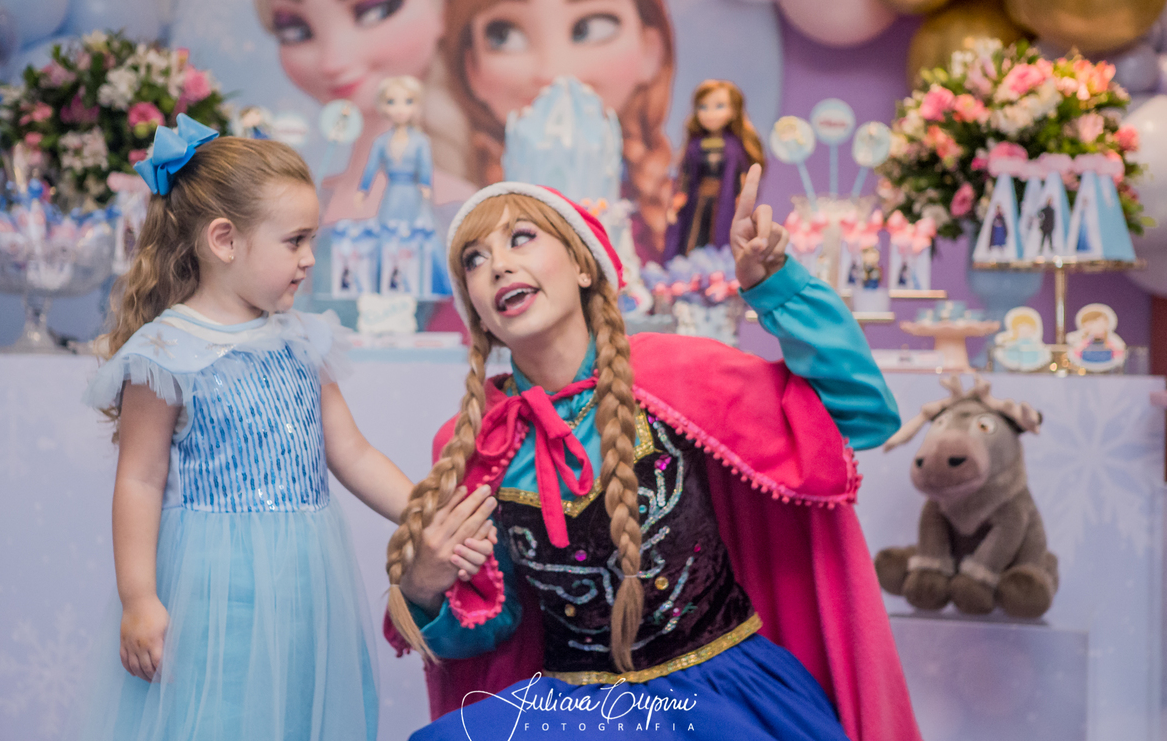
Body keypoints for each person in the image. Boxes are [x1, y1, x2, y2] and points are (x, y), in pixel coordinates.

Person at [384, 167, 922, 739]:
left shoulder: (680, 373)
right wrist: (422, 588)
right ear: (477, 311)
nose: (497, 265)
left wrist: (774, 287)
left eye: (521, 238)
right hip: (578, 714)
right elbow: (494, 628)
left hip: (717, 699)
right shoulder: (478, 443)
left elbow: (862, 414)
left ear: (584, 266)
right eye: (474, 259)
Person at [78, 116, 497, 740]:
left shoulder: (302, 339)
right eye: (295, 241)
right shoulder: (166, 351)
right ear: (225, 240)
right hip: (216, 587)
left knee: (296, 712)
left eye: (312, 240)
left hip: (305, 576)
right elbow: (139, 479)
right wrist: (139, 598)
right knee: (223, 717)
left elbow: (351, 452)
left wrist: (427, 514)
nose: (308, 259)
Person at [442, 0, 675, 256]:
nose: (551, 70)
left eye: (589, 28)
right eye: (505, 35)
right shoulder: (448, 218)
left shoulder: (680, 216)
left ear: (650, 49)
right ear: (471, 66)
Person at [239, 0, 474, 223]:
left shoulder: (457, 204)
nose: (332, 62)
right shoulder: (311, 200)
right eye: (295, 29)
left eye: (374, 10)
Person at [665, 80, 765, 260]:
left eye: (719, 106)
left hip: (725, 199)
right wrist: (679, 197)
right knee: (694, 234)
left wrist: (742, 197)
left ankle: (719, 265)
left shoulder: (734, 147)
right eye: (703, 107)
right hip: (698, 199)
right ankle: (691, 263)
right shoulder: (695, 146)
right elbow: (686, 174)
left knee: (721, 233)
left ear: (733, 111)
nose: (709, 113)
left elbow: (741, 175)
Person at [356, 75, 434, 225]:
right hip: (392, 193)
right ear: (383, 105)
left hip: (412, 194)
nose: (400, 109)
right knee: (389, 224)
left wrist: (425, 185)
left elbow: (425, 166)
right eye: (391, 102)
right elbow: (371, 167)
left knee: (415, 226)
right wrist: (363, 189)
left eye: (408, 101)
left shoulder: (420, 141)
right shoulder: (381, 141)